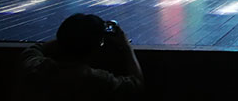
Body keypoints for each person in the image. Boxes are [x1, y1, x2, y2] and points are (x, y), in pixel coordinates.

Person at [15, 13, 143, 100]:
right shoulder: (96, 80)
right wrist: (126, 45)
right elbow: (136, 83)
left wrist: (67, 38)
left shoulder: (33, 67)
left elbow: (36, 48)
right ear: (95, 48)